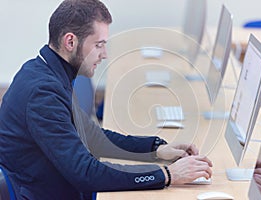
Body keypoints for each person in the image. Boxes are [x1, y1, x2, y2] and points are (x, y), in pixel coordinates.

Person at [0, 0, 212, 199]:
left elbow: (93, 137)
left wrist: (155, 150)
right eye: (99, 45)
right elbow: (85, 174)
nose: (105, 54)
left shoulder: (48, 71)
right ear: (70, 41)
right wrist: (166, 175)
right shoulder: (42, 94)